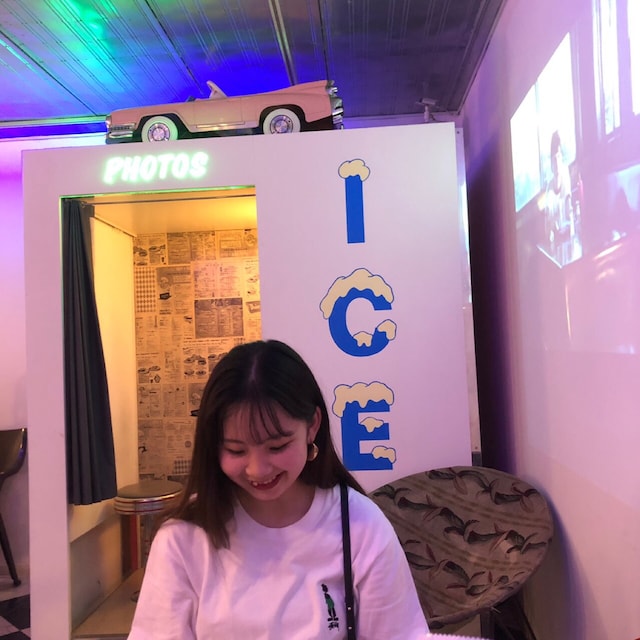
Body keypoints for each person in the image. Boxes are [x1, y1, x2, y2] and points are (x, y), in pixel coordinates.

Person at [128, 339, 429, 639]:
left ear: (312, 426)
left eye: (277, 446)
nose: (257, 470)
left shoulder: (360, 525)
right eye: (236, 450)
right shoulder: (183, 538)